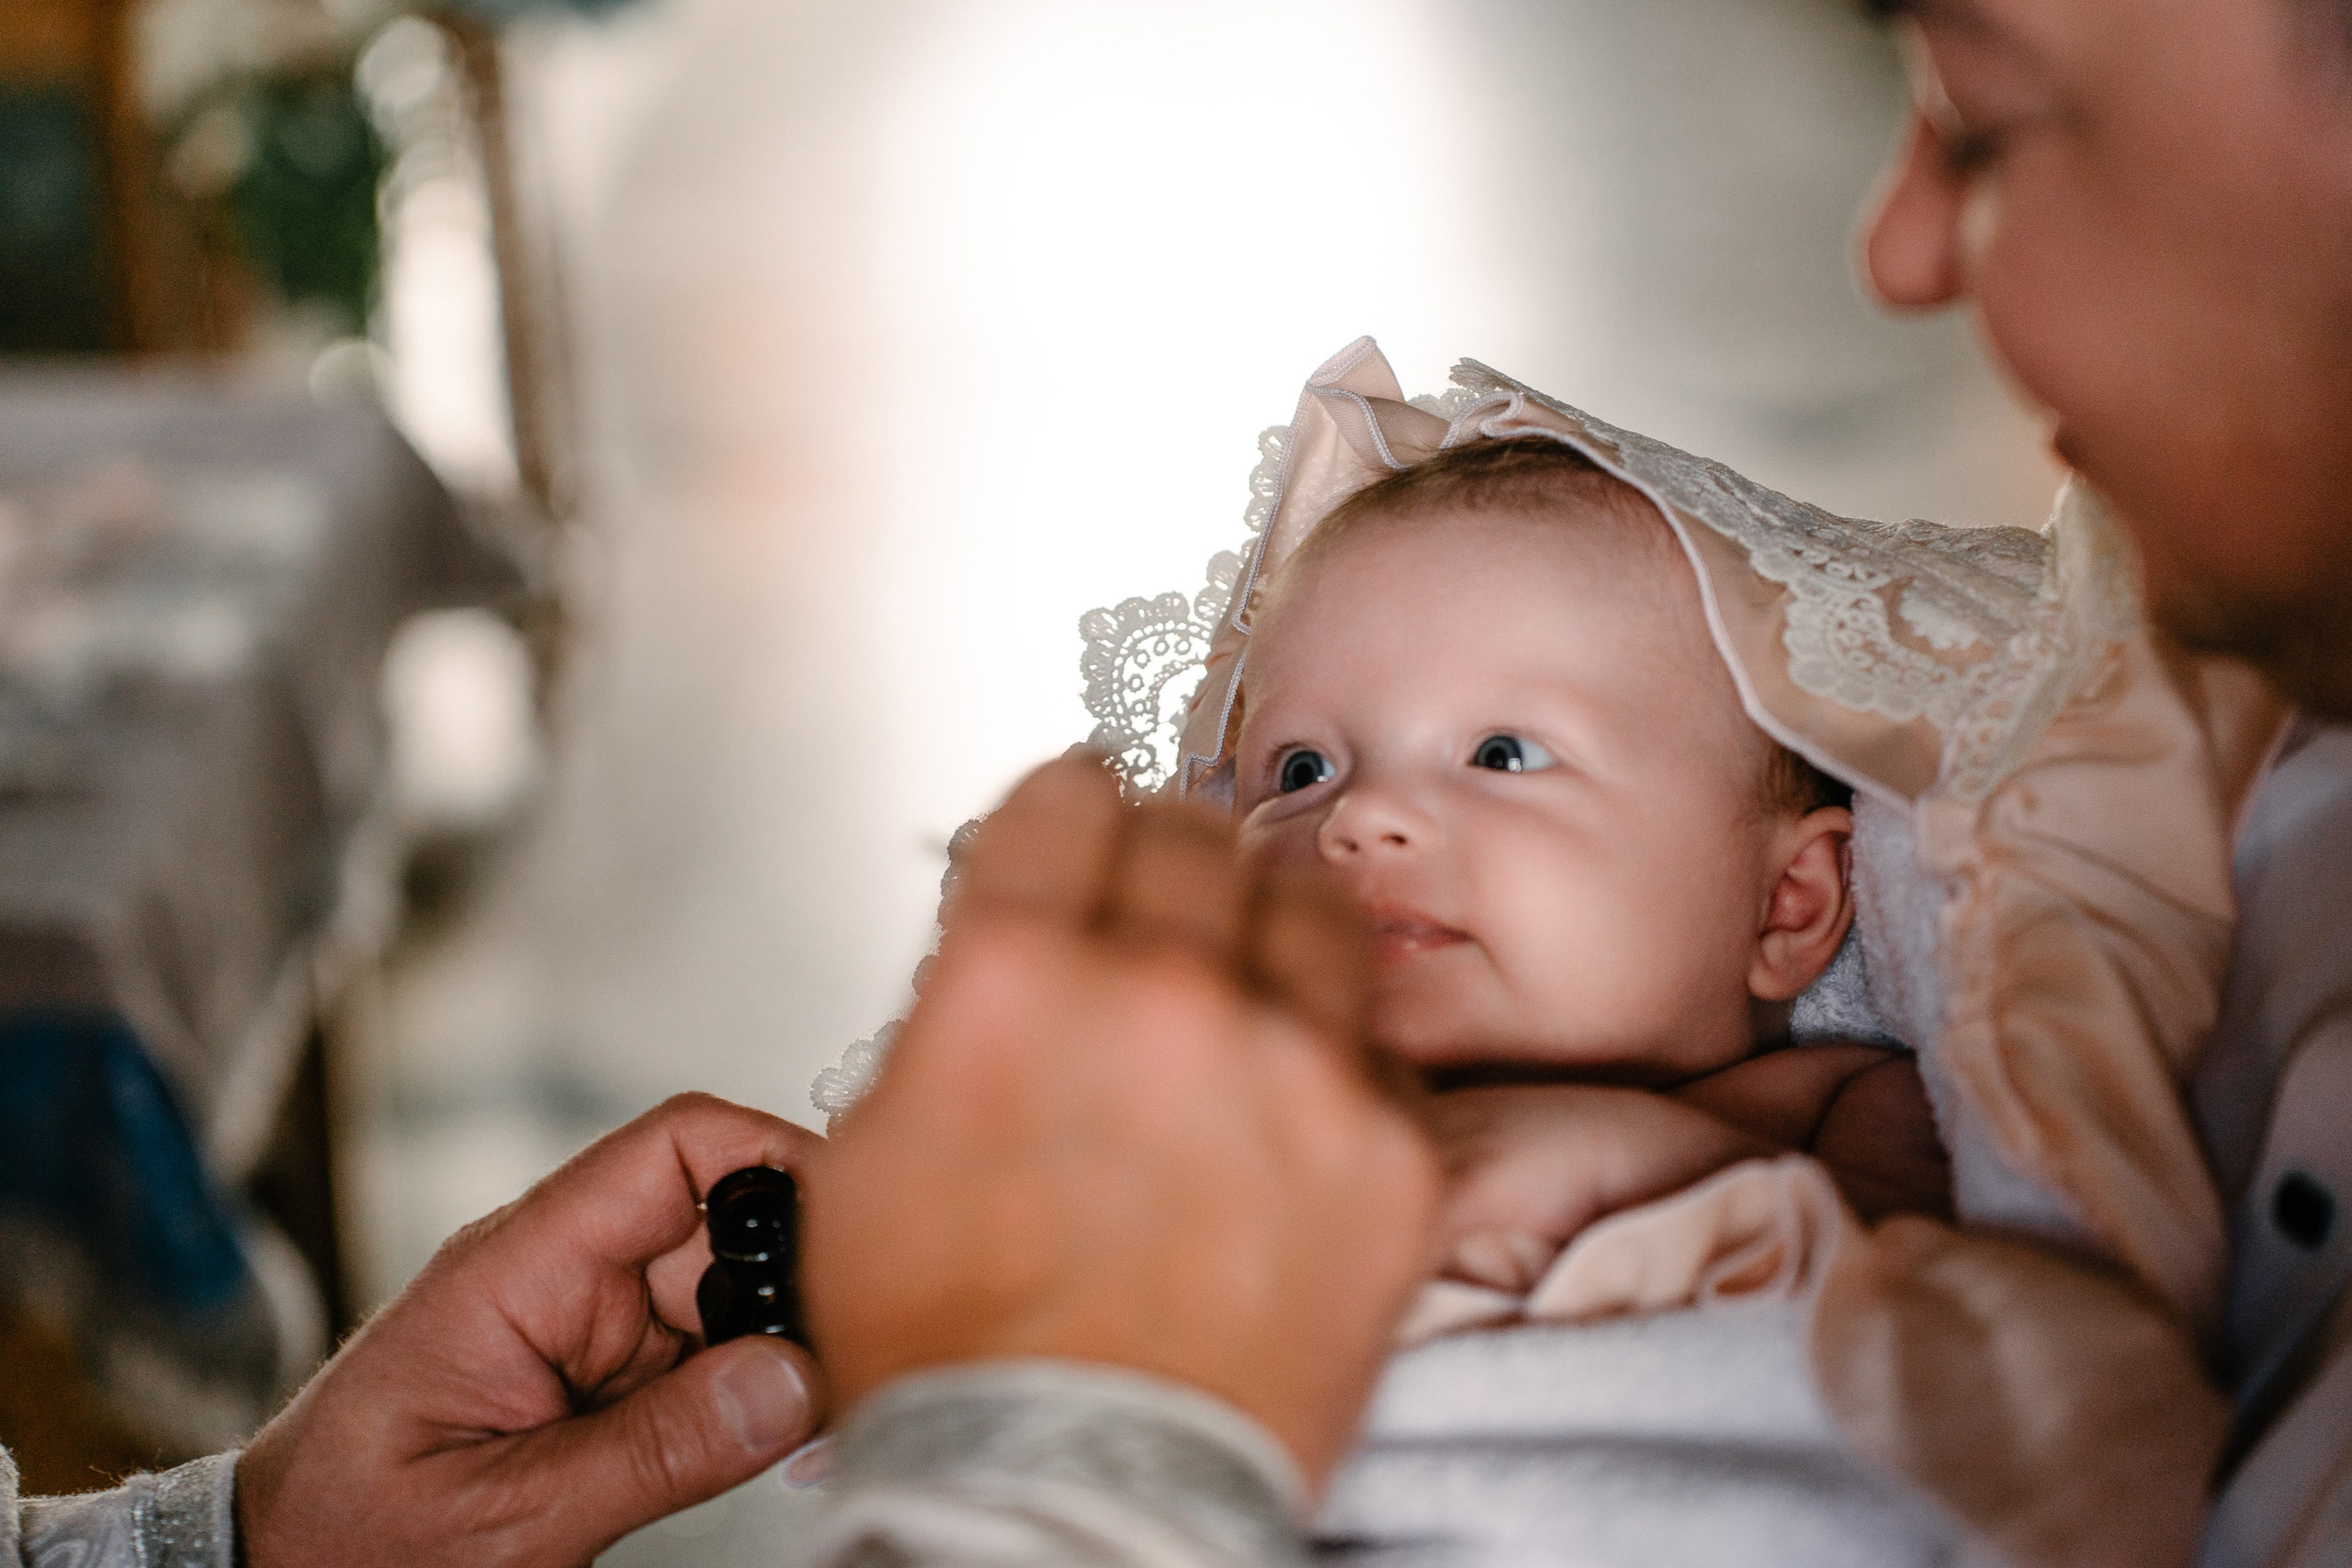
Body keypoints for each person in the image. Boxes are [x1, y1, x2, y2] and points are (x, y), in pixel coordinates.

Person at [11, 0, 2349, 1562]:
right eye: (1293, 764)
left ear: (1792, 907)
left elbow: (2004, 1348)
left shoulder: (1817, 1115)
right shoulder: (1239, 1094)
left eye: (1506, 751)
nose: (1357, 818)